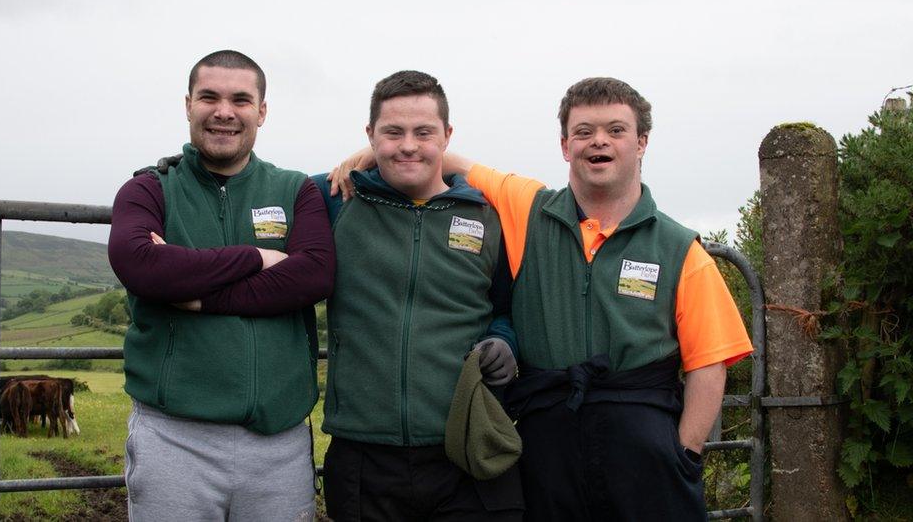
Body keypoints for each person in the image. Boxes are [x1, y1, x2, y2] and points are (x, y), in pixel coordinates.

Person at [330, 77, 753, 521]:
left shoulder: (679, 247)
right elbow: (445, 160)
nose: (599, 142)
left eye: (616, 130)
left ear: (642, 142)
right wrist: (371, 155)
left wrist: (683, 454)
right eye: (584, 131)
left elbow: (709, 362)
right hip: (547, 440)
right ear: (565, 145)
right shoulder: (527, 207)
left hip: (643, 443)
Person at [108, 49, 334, 521]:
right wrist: (254, 257)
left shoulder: (296, 190)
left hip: (280, 443)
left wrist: (199, 296)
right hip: (174, 439)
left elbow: (312, 275)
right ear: (188, 104)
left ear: (262, 111)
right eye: (209, 97)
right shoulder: (150, 188)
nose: (224, 112)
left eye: (241, 100)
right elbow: (141, 266)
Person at [314, 70, 524, 521]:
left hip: (466, 446)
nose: (408, 145)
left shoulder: (489, 216)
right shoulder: (334, 198)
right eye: (393, 132)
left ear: (447, 136)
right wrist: (175, 174)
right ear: (370, 137)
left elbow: (507, 310)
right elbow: (249, 184)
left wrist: (504, 341)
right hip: (364, 455)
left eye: (423, 132)